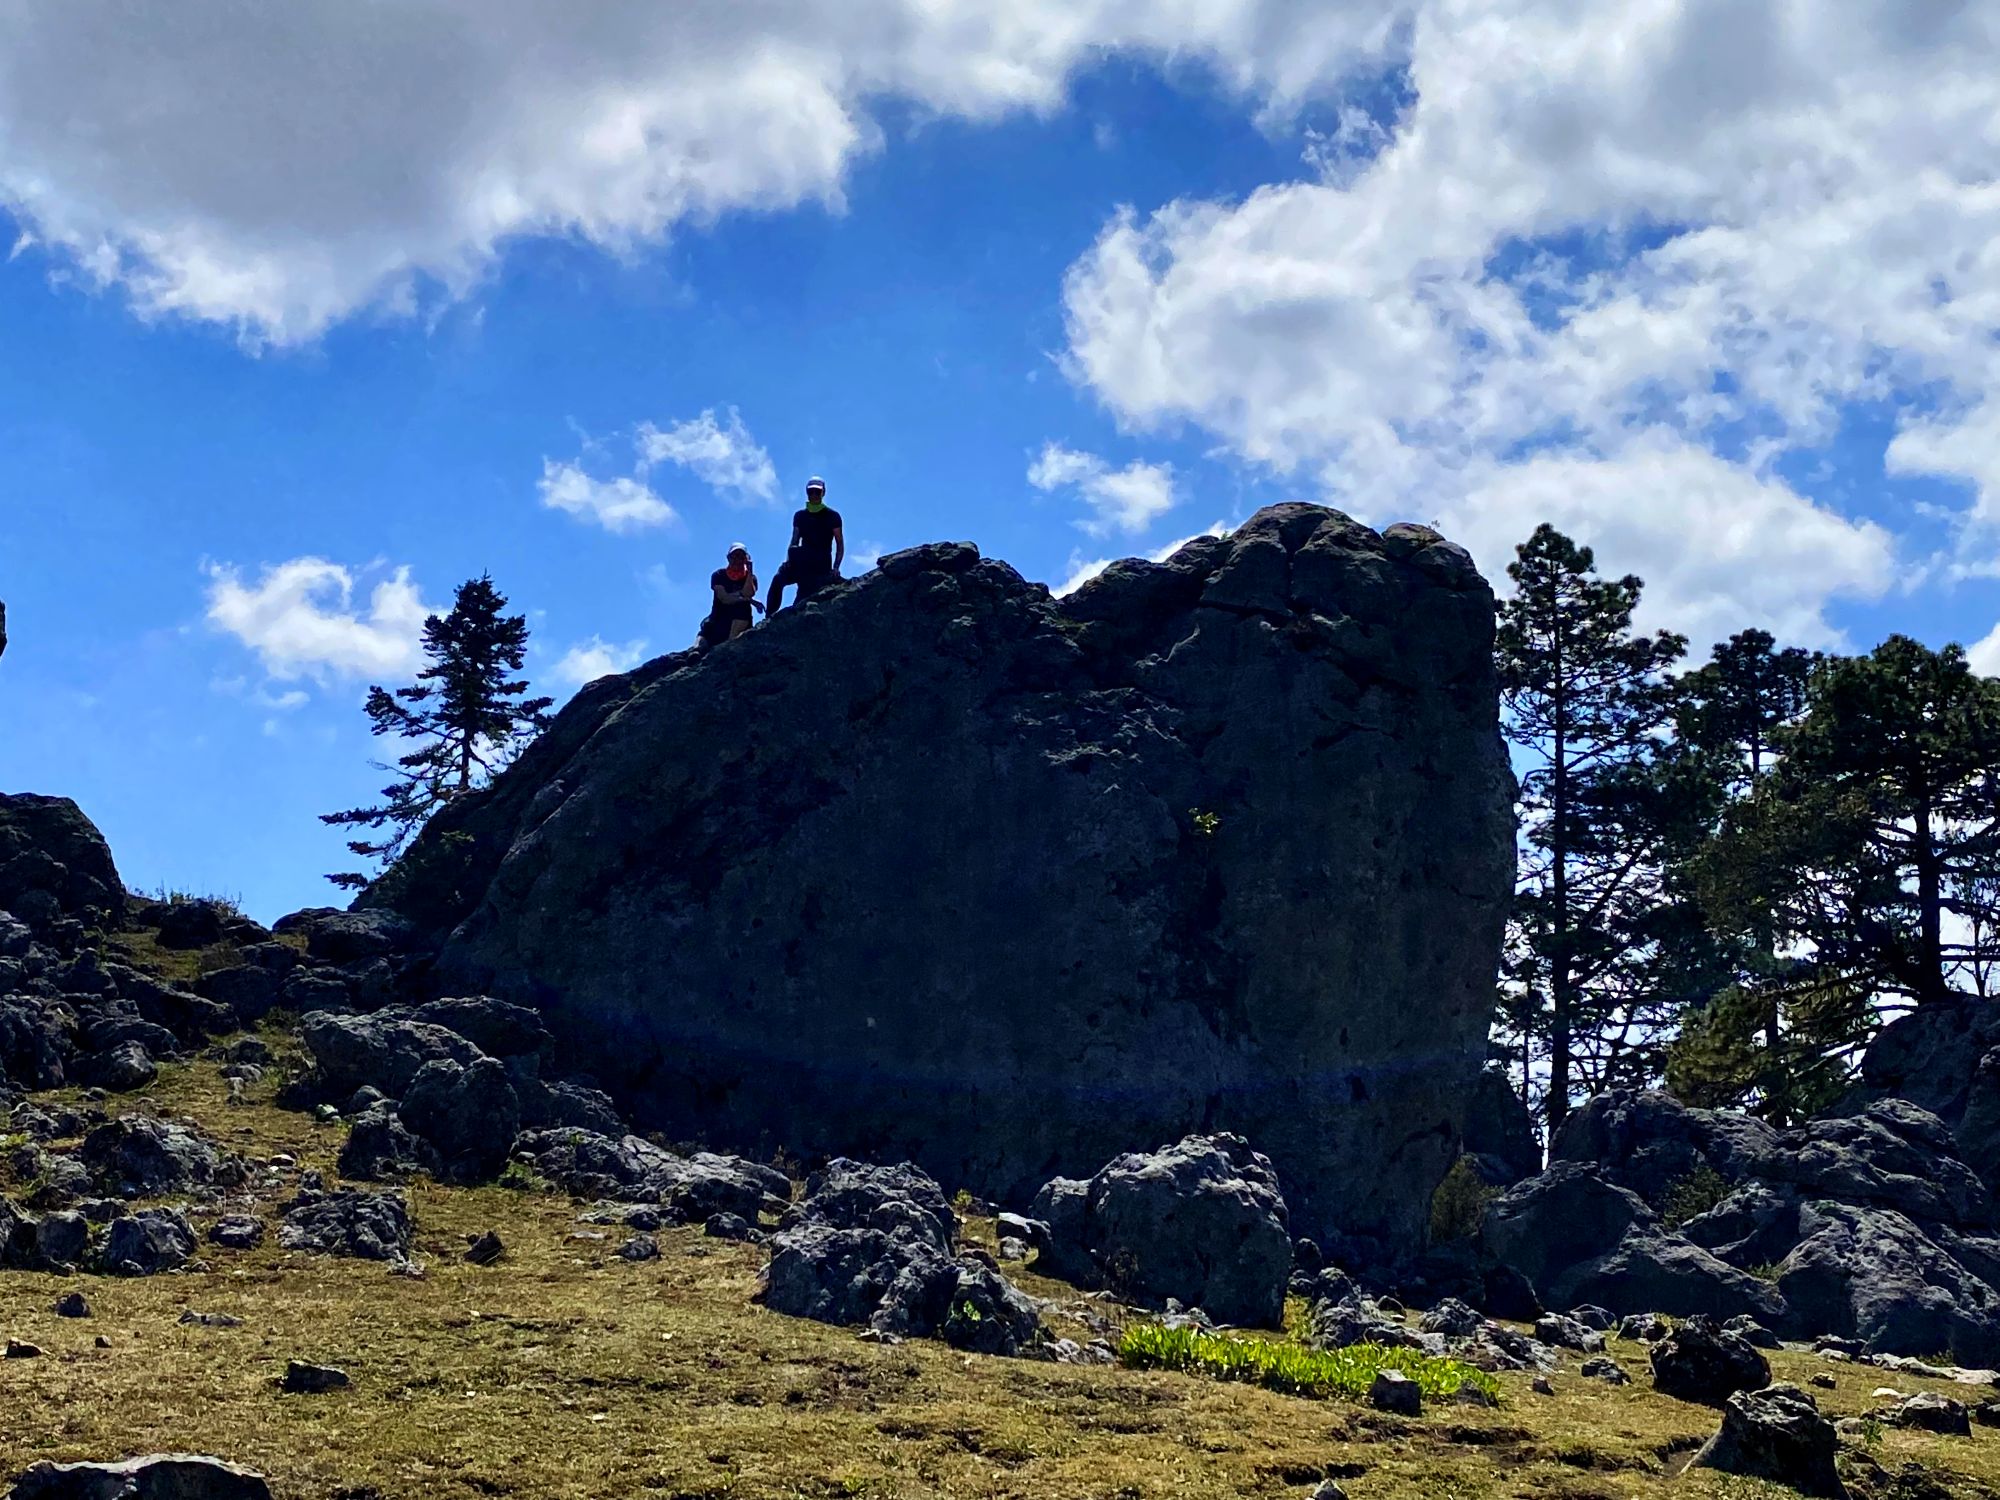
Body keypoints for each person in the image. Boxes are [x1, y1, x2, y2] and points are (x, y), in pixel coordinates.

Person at [766, 475, 844, 614]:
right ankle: (769, 615)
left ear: (823, 492)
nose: (814, 495)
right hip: (802, 561)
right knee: (778, 579)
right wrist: (788, 562)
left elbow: (839, 543)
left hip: (821, 562)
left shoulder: (832, 516)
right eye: (810, 491)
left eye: (817, 492)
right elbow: (794, 540)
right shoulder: (800, 516)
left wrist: (836, 568)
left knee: (802, 599)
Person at [698, 542, 762, 649]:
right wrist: (748, 599)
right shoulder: (719, 575)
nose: (737, 560)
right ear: (728, 558)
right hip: (719, 618)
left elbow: (749, 592)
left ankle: (728, 647)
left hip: (738, 622)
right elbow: (725, 598)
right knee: (704, 634)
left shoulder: (751, 578)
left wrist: (749, 572)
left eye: (741, 557)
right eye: (734, 556)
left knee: (742, 610)